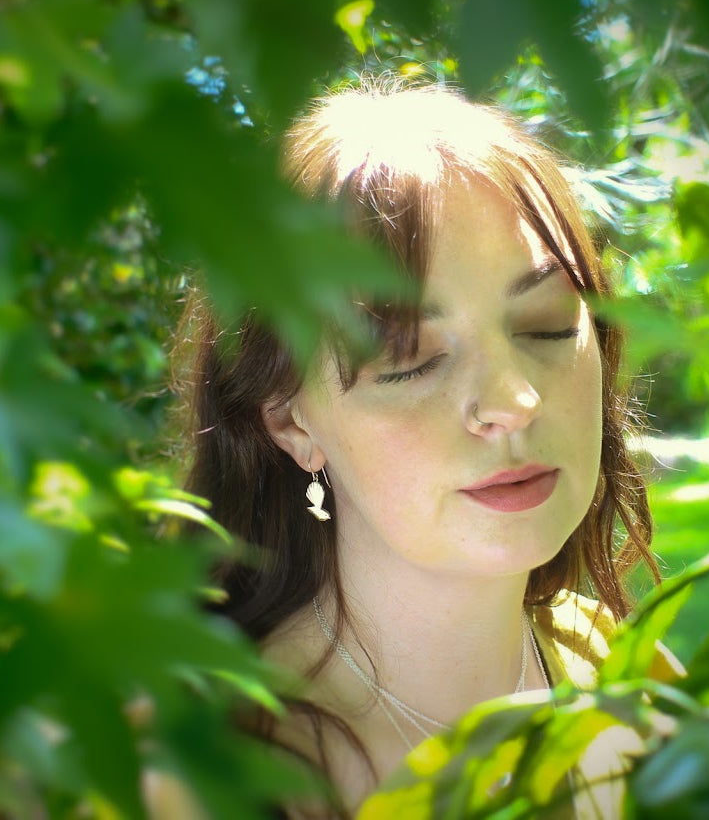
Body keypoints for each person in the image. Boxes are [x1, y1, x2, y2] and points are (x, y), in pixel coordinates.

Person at [179, 79, 661, 818]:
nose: (513, 401)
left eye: (544, 325)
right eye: (409, 358)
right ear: (290, 423)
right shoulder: (203, 772)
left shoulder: (619, 664)